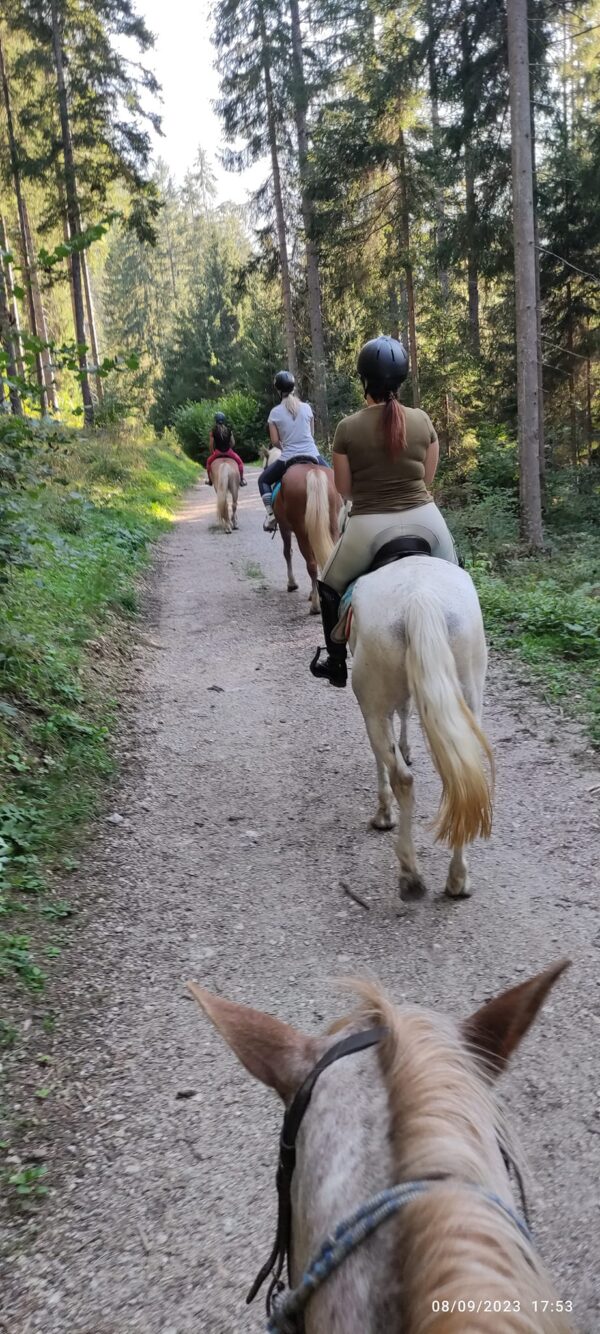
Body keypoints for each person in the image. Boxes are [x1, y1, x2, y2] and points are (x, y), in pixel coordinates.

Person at [310, 335, 458, 687]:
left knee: (329, 585)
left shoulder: (347, 428)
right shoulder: (422, 420)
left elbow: (344, 489)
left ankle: (335, 662)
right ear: (401, 380)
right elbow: (428, 477)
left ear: (364, 381)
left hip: (369, 525)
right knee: (458, 574)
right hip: (426, 519)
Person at [258, 371, 329, 532]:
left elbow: (275, 441)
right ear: (293, 387)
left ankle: (270, 516)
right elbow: (311, 434)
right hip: (312, 454)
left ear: (278, 390)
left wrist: (287, 446)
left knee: (263, 480)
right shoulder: (306, 408)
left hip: (289, 457)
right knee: (335, 479)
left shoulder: (275, 413)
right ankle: (345, 509)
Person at [205, 413, 247, 486]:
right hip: (228, 451)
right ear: (224, 420)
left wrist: (213, 453)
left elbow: (211, 444)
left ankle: (210, 480)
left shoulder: (213, 431)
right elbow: (233, 442)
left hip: (217, 452)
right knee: (240, 463)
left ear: (216, 420)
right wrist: (229, 448)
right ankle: (241, 479)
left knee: (208, 463)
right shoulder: (229, 430)